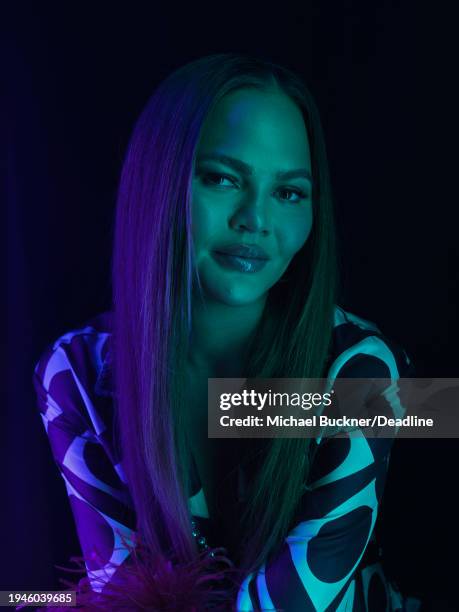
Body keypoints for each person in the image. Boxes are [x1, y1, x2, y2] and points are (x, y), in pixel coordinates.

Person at [32, 53, 422, 611]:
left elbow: (298, 603)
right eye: (221, 178)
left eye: (289, 192)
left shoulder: (362, 371)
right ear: (160, 182)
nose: (255, 219)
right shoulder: (75, 374)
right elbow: (120, 593)